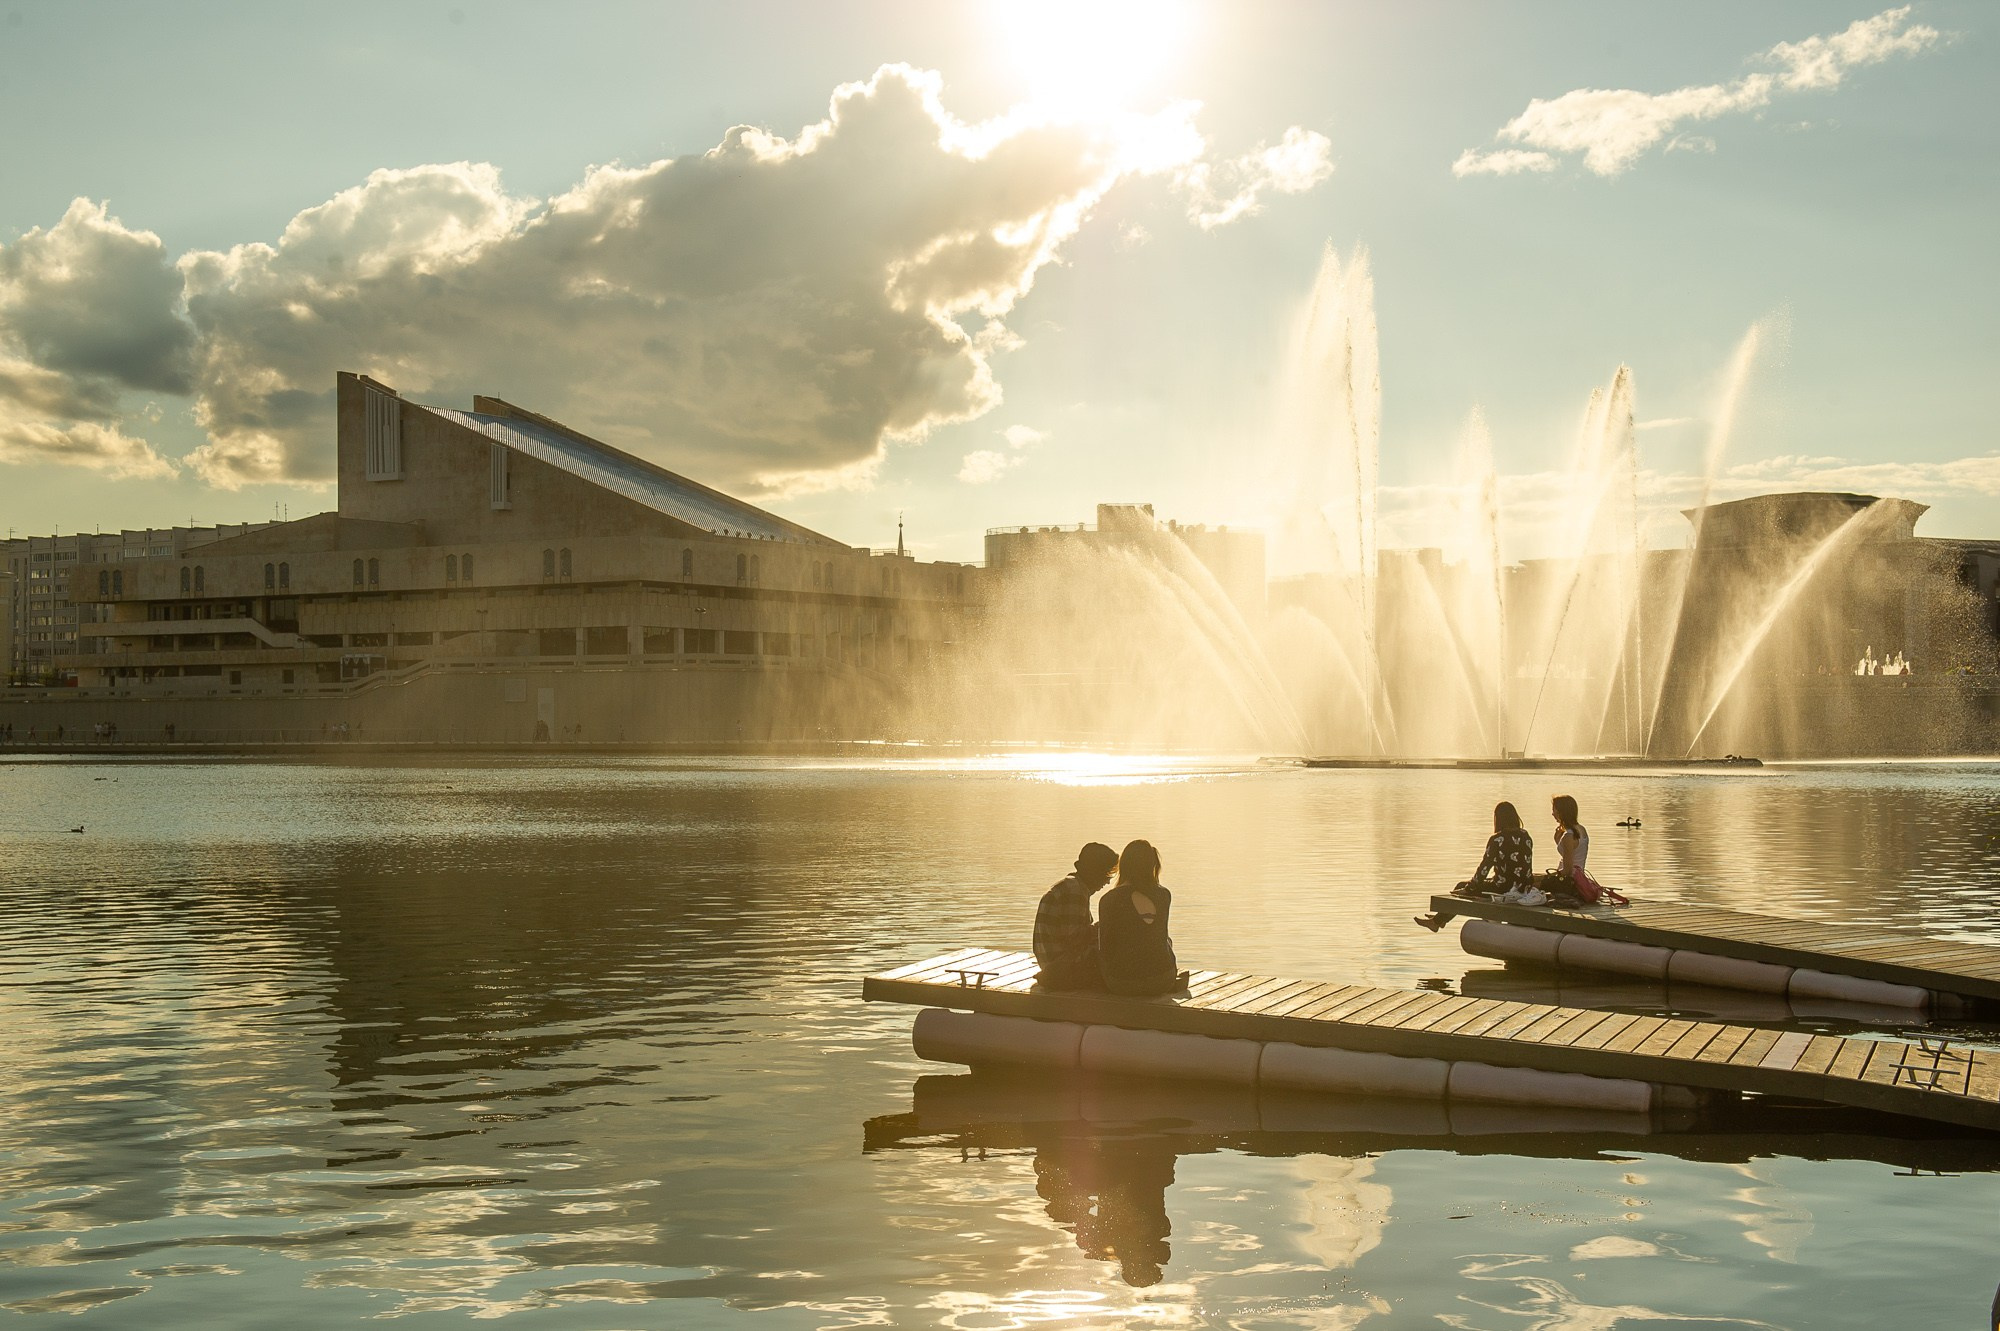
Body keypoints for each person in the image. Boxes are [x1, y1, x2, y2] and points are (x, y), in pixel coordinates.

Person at [1415, 801, 1537, 931]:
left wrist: (1470, 887)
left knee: (1461, 886)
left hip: (1503, 889)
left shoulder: (1497, 839)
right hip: (1524, 887)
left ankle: (1437, 922)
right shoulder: (1525, 835)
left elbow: (1484, 868)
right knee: (1468, 887)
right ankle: (1439, 920)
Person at [1097, 840, 1186, 997]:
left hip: (1122, 982)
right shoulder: (1164, 895)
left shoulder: (1109, 899)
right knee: (1166, 941)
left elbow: (1105, 947)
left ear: (1124, 865)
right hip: (1163, 980)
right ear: (1152, 866)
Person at [1034, 843, 1117, 990]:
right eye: (1106, 874)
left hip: (1052, 963)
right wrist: (1104, 925)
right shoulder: (1075, 891)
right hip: (1062, 968)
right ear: (1094, 871)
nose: (1108, 881)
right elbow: (1074, 939)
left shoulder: (1069, 886)